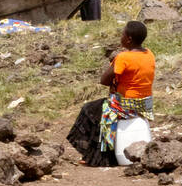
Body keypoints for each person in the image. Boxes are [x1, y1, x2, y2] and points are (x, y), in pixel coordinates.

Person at [66, 20, 154, 166]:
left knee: (90, 110)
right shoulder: (149, 54)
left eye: (122, 34)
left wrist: (114, 63)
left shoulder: (124, 57)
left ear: (129, 39)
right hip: (145, 105)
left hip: (126, 105)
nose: (121, 37)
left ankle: (98, 157)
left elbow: (104, 80)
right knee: (101, 107)